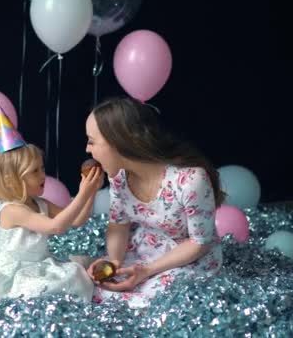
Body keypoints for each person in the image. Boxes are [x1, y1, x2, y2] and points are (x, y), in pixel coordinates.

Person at [0, 106, 103, 309]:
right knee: (46, 286)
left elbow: (76, 220)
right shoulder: (12, 210)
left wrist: (91, 192)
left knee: (72, 275)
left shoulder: (40, 204)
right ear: (11, 180)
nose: (43, 175)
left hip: (40, 264)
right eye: (34, 171)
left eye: (42, 168)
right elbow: (55, 227)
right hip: (13, 271)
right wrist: (83, 193)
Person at [84, 97, 224, 308]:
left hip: (187, 257)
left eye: (92, 141)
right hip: (145, 248)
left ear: (119, 142)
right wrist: (114, 262)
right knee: (91, 287)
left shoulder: (190, 181)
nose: (87, 150)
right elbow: (118, 225)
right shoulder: (119, 177)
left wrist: (147, 271)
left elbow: (199, 243)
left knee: (149, 301)